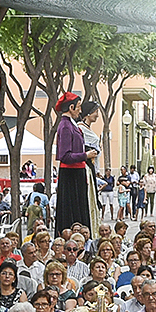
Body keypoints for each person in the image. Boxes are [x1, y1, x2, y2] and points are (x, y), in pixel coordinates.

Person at [53, 92, 94, 234]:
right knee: (73, 211)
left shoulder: (70, 125)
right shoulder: (66, 126)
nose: (80, 110)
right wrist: (85, 155)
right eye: (79, 107)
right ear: (71, 107)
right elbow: (65, 156)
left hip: (76, 174)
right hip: (71, 175)